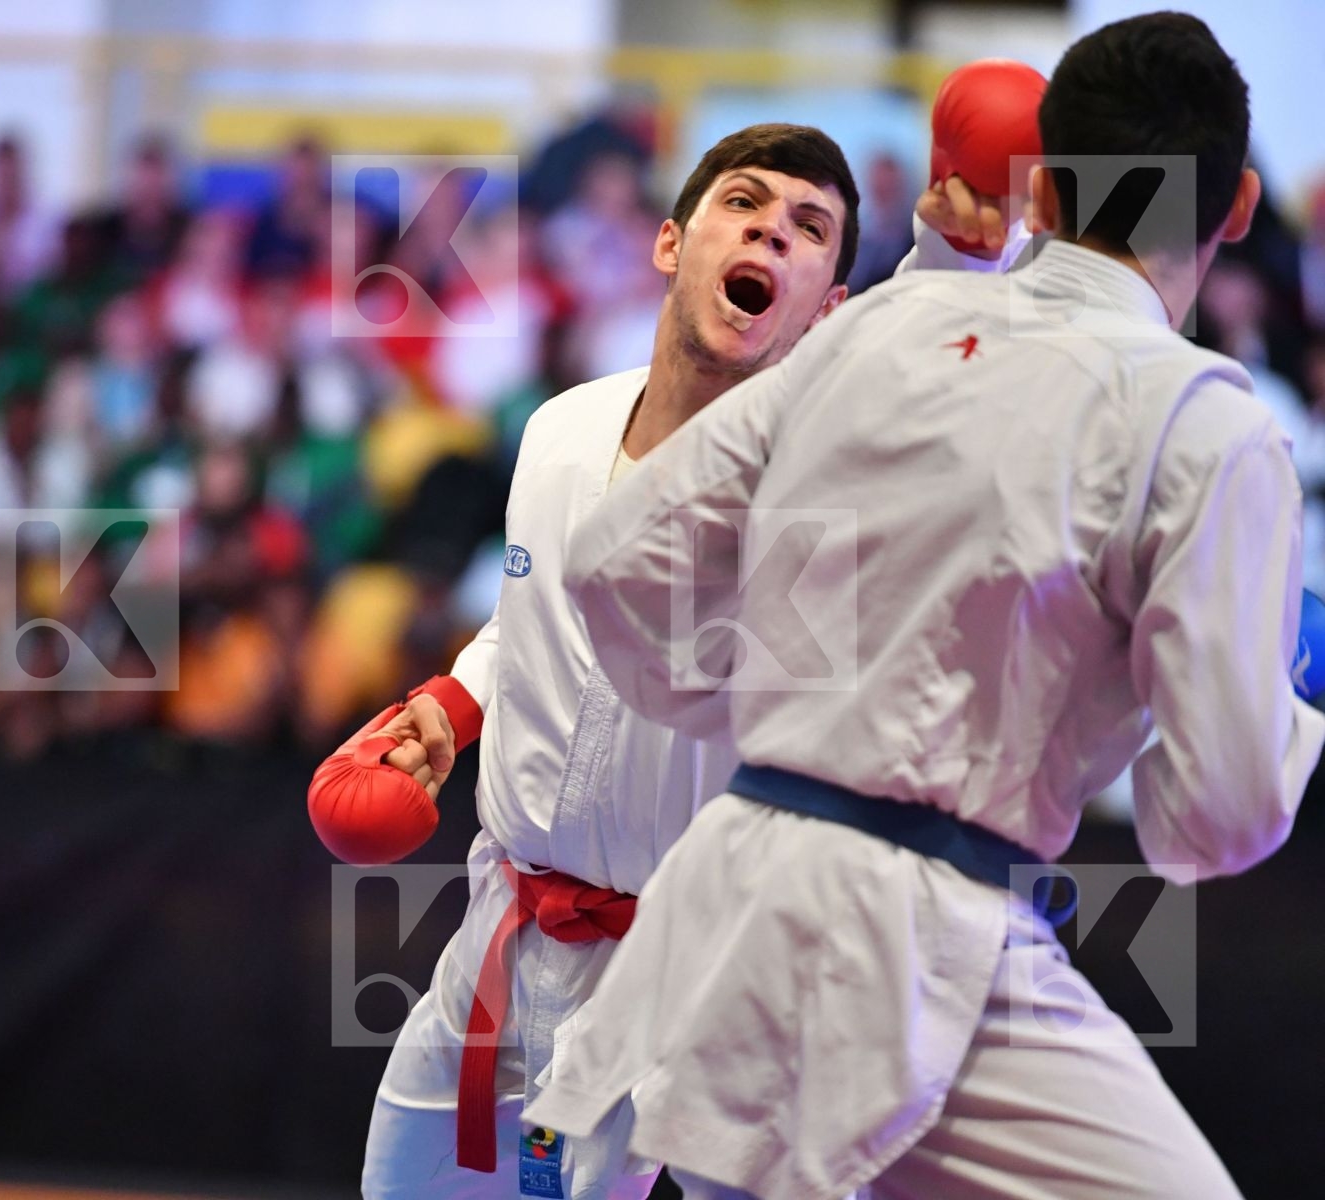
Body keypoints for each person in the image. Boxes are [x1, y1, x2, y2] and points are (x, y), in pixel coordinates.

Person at [524, 15, 1324, 1200]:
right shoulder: (1212, 422)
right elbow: (1211, 823)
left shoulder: (884, 326)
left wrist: (764, 713)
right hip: (913, 924)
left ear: (1043, 187)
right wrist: (1279, 691)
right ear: (1241, 205)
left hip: (732, 886)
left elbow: (612, 559)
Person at [314, 110, 1032, 1198]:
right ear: (669, 243)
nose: (770, 236)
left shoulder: (822, 488)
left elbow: (924, 388)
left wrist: (961, 264)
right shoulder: (559, 429)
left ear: (833, 309)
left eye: (807, 228)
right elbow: (529, 615)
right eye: (743, 205)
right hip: (502, 940)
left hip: (700, 990)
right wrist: (452, 711)